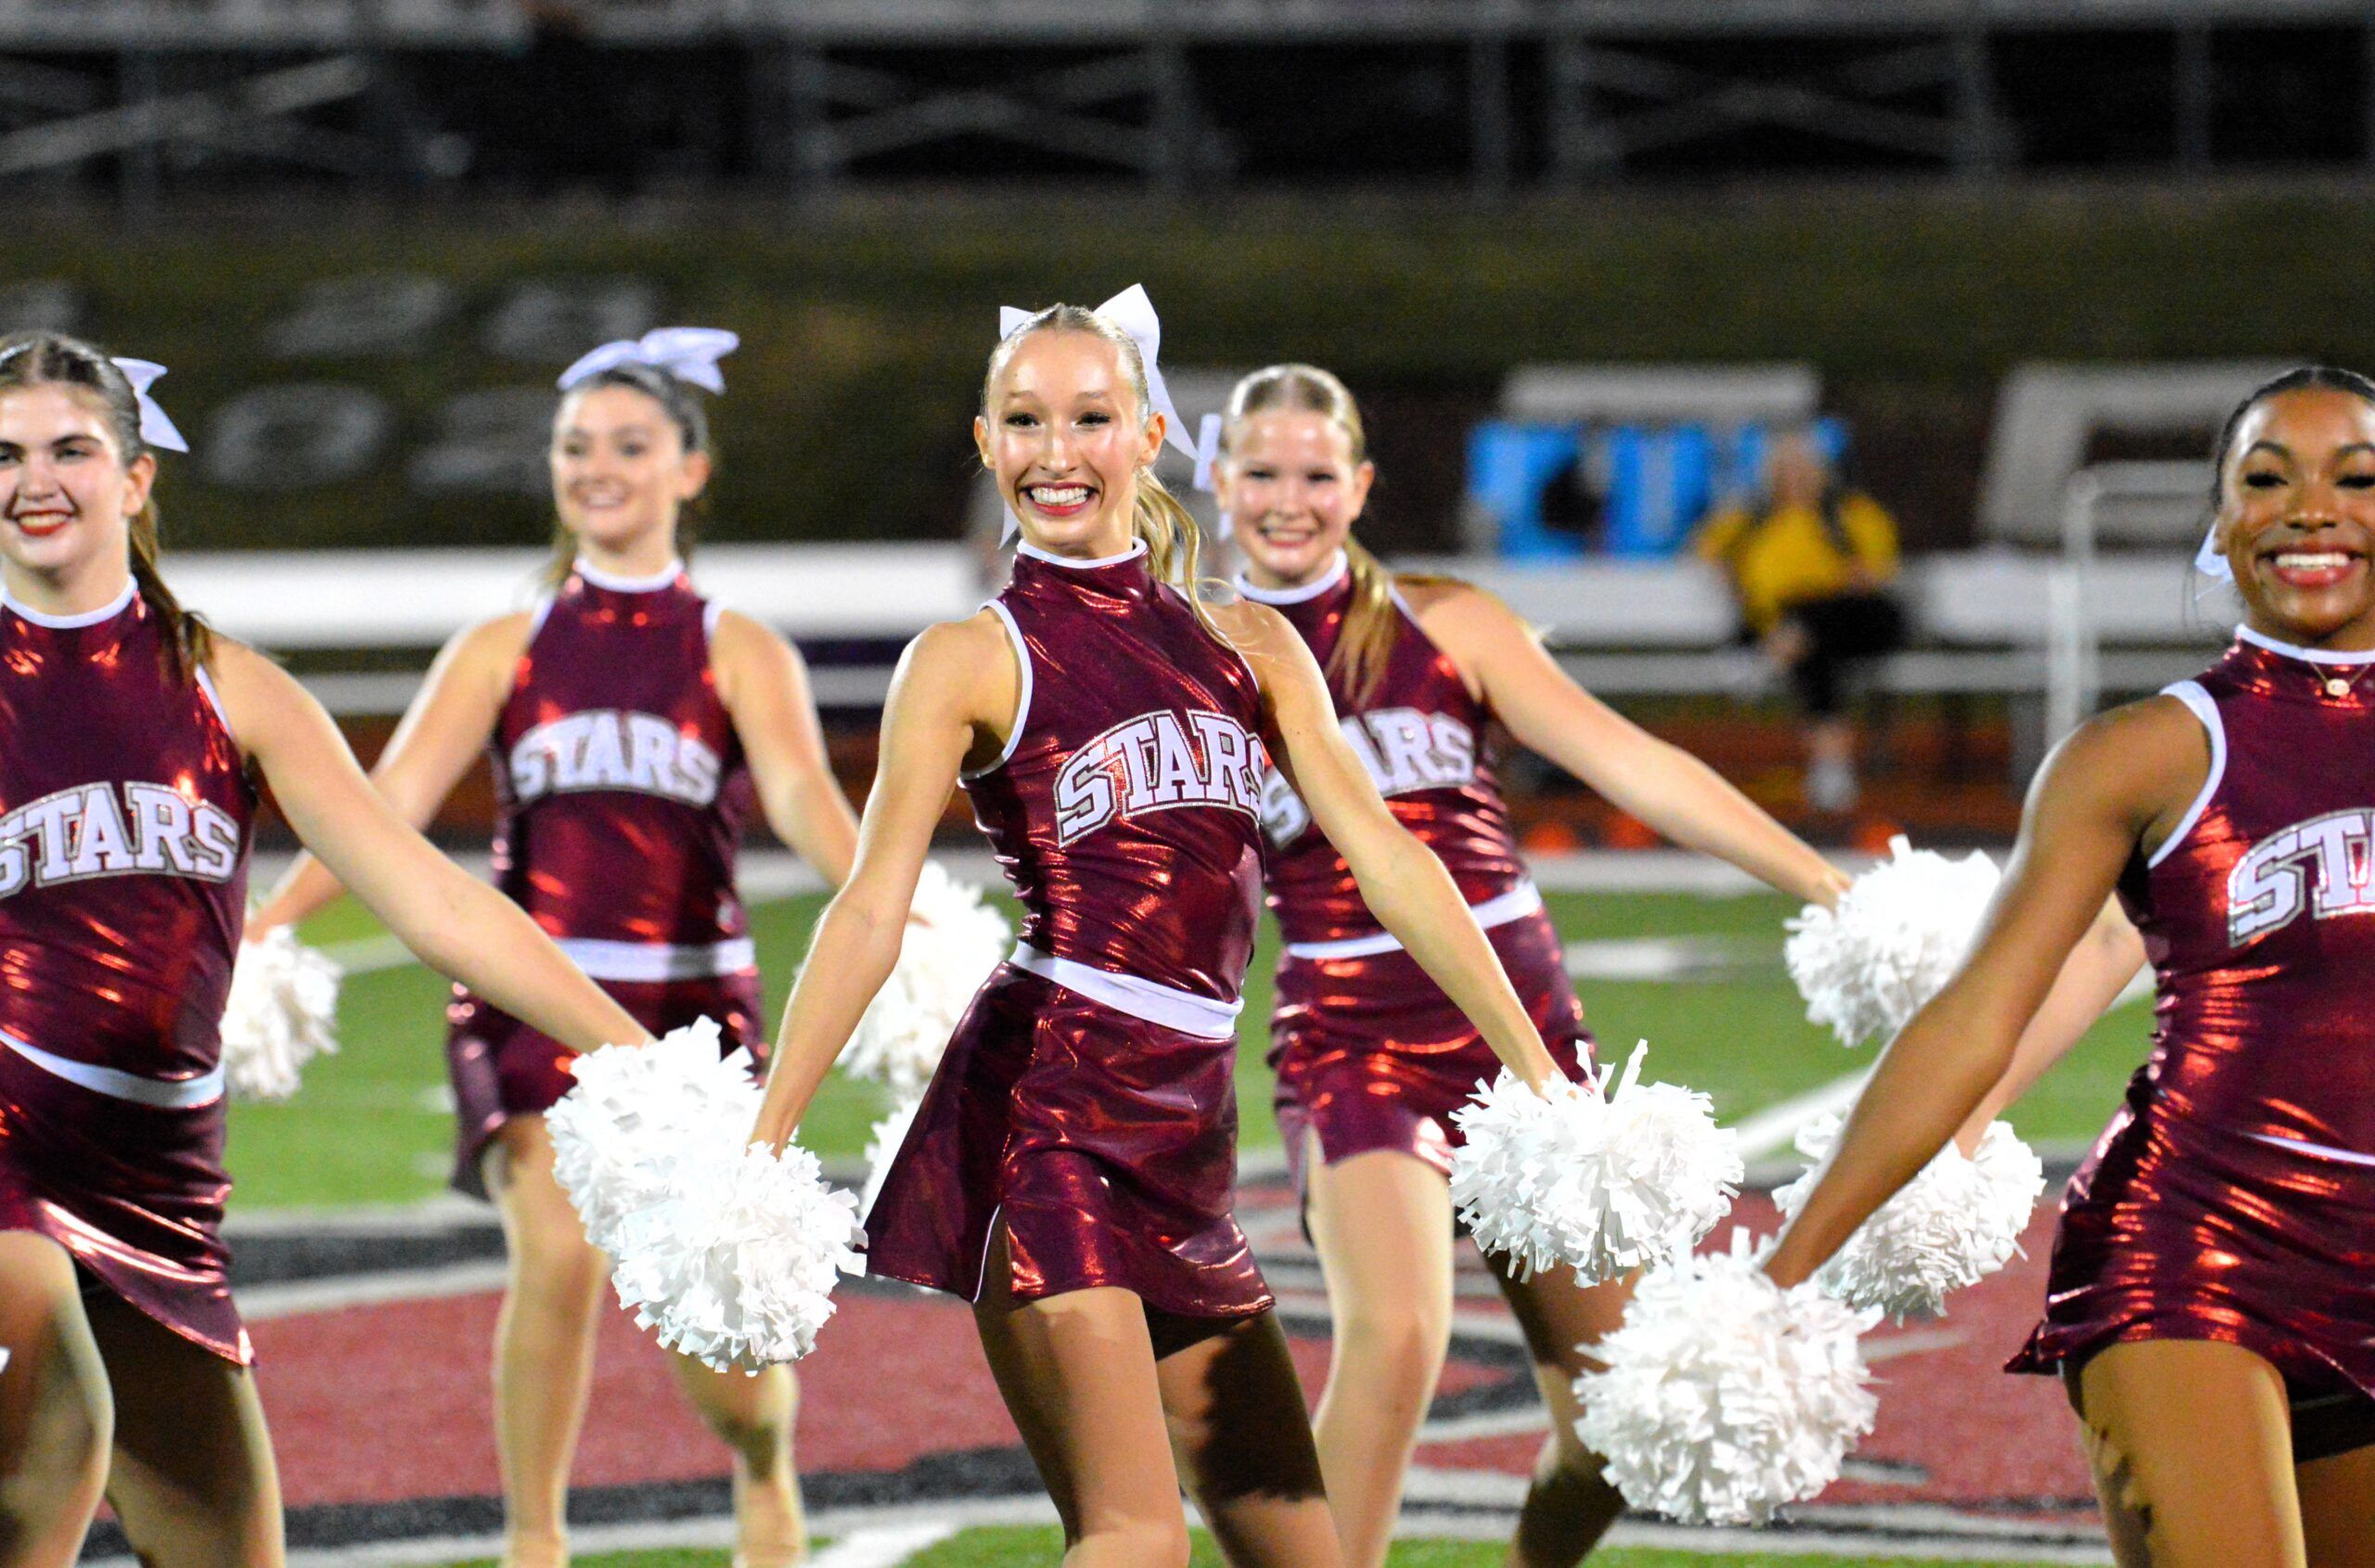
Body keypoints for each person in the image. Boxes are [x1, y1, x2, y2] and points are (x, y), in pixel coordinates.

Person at [745, 301, 1574, 1568]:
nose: (1055, 449)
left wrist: (1540, 1075)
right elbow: (868, 905)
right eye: (1024, 420)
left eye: (1089, 417)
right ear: (986, 438)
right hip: (1045, 1114)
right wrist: (764, 1140)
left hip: (1186, 1134)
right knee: (1138, 1538)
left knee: (1306, 1551)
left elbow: (1392, 856)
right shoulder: (969, 658)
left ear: (1147, 435)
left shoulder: (1251, 641)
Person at [0, 335, 656, 1568]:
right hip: (6, 1153)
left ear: (135, 480)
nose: (36, 479)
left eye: (71, 449)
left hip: (159, 1188)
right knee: (53, 1419)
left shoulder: (231, 691)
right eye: (6, 453)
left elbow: (431, 899)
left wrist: (646, 1057)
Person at [1213, 363, 1848, 1568]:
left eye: (1313, 473)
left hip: (1526, 1036)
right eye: (1260, 471)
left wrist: (1822, 881)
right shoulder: (1203, 654)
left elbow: (1632, 763)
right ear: (1219, 479)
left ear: (1359, 485)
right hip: (1352, 1033)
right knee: (1396, 1336)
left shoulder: (1450, 622)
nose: (1286, 499)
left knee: (1614, 1430)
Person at [249, 332, 854, 1568]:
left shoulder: (738, 647)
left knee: (723, 1349)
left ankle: (763, 1454)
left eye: (631, 445)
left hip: (690, 1026)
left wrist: (886, 895)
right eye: (577, 447)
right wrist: (264, 924)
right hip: (526, 1011)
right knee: (560, 1254)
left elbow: (801, 799)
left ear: (692, 469)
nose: (599, 468)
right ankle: (535, 1541)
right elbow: (382, 809)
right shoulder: (502, 645)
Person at [1765, 367, 2375, 1568]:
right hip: (2197, 1240)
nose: (2312, 507)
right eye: (2268, 478)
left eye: (2355, 478)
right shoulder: (2149, 750)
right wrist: (1775, 1279)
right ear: (2221, 524)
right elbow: (1983, 1010)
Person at [1693, 428, 1906, 815]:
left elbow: (1874, 577)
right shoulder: (1750, 520)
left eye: (1803, 467)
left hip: (1854, 622)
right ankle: (1831, 769)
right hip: (1796, 631)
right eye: (1785, 468)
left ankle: (1769, 660)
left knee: (1814, 616)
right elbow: (1707, 552)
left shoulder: (1850, 514)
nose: (1795, 477)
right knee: (1812, 650)